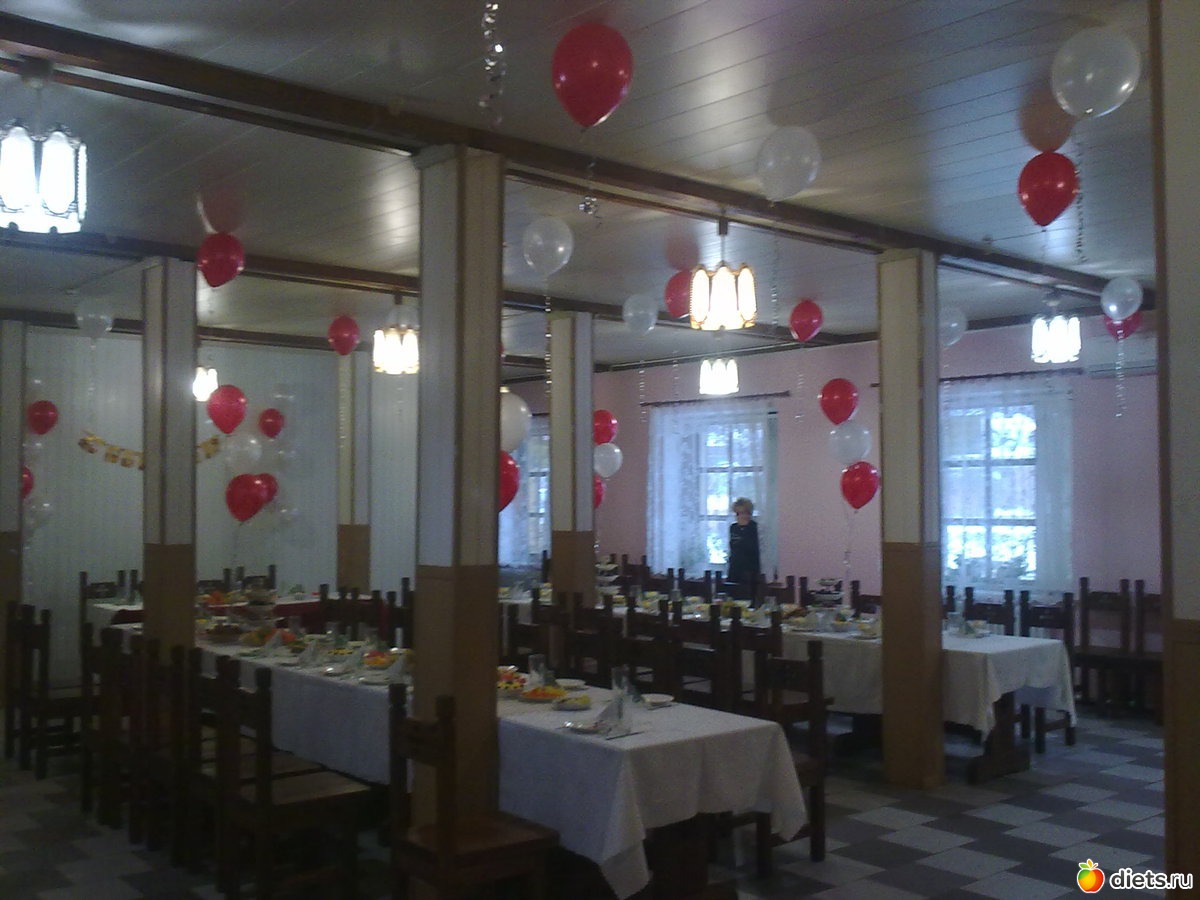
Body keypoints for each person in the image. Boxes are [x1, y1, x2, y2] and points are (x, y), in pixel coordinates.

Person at [726, 497, 761, 591]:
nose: (740, 516)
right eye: (738, 513)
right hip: (734, 568)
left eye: (743, 513)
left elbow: (751, 548)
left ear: (749, 513)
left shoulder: (754, 527)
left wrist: (744, 528)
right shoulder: (733, 528)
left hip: (750, 569)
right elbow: (733, 547)